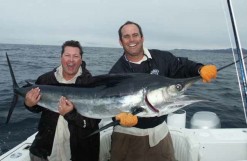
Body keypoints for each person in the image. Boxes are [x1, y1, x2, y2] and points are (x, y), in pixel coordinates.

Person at [109, 21, 217, 161]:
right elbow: (106, 104)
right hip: (127, 135)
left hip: (159, 132)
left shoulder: (162, 58)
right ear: (120, 41)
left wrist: (199, 69)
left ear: (142, 38)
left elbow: (182, 66)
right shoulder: (116, 73)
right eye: (126, 36)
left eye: (135, 35)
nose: (132, 40)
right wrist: (117, 117)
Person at [24, 40, 100, 161]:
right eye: (67, 55)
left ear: (81, 59)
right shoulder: (45, 79)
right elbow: (37, 107)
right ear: (61, 57)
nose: (71, 60)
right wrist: (29, 104)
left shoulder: (92, 84)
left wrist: (71, 114)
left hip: (79, 153)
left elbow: (93, 123)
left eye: (75, 56)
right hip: (45, 151)